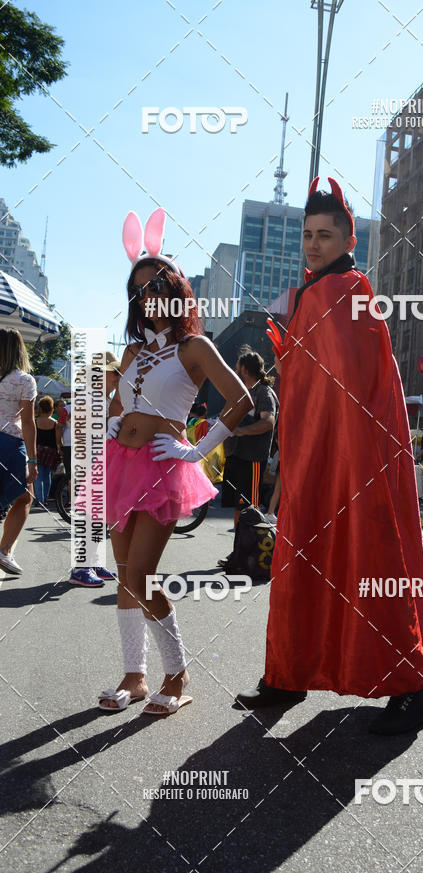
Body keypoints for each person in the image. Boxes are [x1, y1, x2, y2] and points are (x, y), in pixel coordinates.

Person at [234, 177, 423, 735]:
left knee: (372, 561)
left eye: (325, 234)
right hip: (314, 455)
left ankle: (410, 689)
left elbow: (358, 387)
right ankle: (288, 673)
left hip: (353, 458)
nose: (314, 244)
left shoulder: (348, 289)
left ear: (349, 238)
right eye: (307, 235)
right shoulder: (314, 292)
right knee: (303, 561)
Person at [97, 207, 252, 713]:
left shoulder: (195, 346)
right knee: (125, 575)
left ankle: (178, 676)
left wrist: (197, 450)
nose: (147, 298)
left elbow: (241, 400)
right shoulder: (132, 354)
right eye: (138, 292)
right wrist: (112, 422)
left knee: (141, 575)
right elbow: (120, 408)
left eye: (156, 286)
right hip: (122, 465)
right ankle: (133, 677)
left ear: (175, 289)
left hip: (164, 468)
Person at [218, 348, 278, 567]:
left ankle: (247, 556)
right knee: (238, 507)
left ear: (246, 369)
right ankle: (237, 553)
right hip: (236, 456)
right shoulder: (243, 391)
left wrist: (241, 431)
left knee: (248, 508)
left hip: (251, 459)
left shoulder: (263, 392)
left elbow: (268, 422)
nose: (235, 370)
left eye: (238, 367)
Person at [69, 352, 120, 588]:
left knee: (98, 516)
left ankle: (94, 561)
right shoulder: (90, 399)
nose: (117, 378)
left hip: (98, 464)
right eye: (114, 373)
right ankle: (81, 567)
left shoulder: (101, 399)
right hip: (91, 465)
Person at [0, 328, 37, 575]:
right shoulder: (24, 380)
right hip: (9, 444)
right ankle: (4, 551)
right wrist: (33, 460)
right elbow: (28, 422)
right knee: (25, 497)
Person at [33, 395, 60, 505]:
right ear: (51, 409)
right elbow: (58, 439)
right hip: (51, 451)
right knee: (47, 474)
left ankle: (40, 499)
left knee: (38, 475)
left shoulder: (35, 421)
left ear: (40, 408)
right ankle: (45, 499)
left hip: (38, 450)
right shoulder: (55, 423)